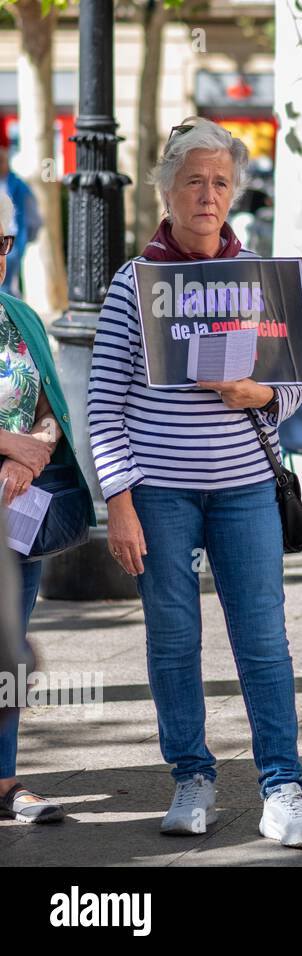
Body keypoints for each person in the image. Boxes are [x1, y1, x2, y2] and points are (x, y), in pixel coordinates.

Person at [86, 117, 302, 848]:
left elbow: (296, 382)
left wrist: (261, 396)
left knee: (264, 640)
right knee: (172, 637)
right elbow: (103, 401)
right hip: (159, 496)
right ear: (166, 190)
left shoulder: (259, 277)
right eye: (194, 181)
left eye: (221, 182)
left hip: (246, 488)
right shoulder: (136, 284)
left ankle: (283, 788)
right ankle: (191, 777)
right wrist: (120, 504)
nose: (209, 194)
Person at [0, 188, 91, 823]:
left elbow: (48, 405)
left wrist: (33, 450)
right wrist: (13, 448)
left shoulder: (18, 316)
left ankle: (4, 782)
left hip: (16, 507)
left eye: (2, 244)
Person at [0, 149, 42, 297]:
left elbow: (33, 215)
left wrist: (26, 238)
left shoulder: (18, 185)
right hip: (11, 239)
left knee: (5, 282)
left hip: (12, 239)